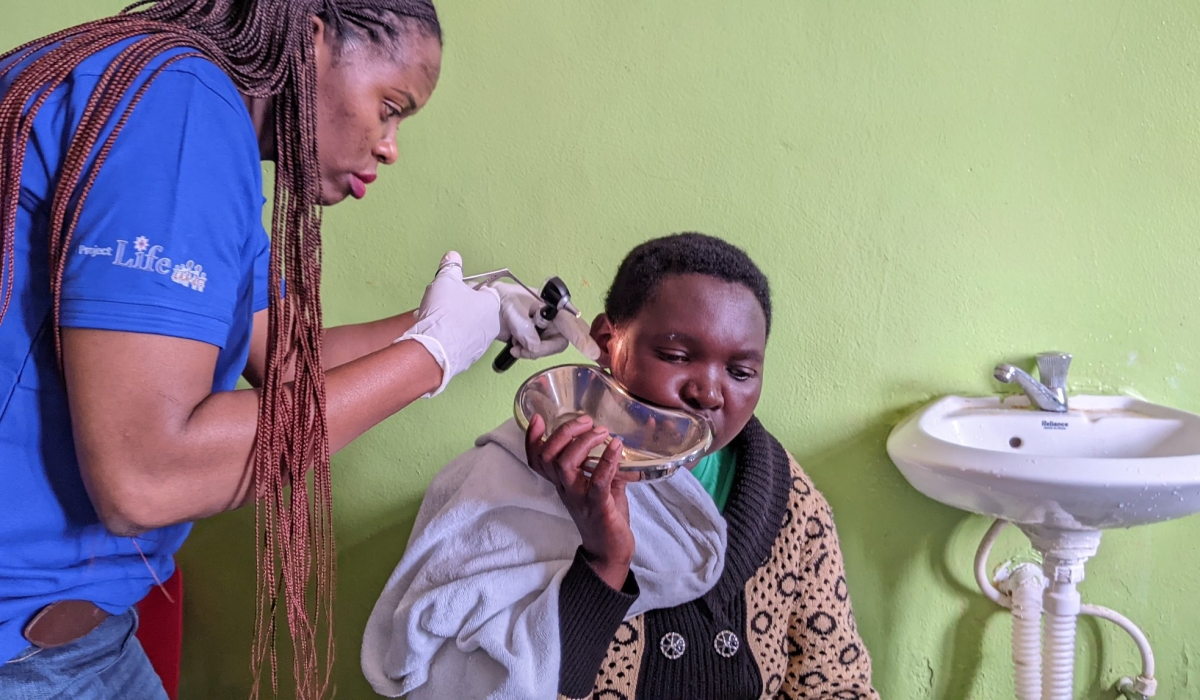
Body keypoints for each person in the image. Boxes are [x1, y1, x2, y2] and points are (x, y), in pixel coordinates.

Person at [0, 2, 594, 698]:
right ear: (311, 41)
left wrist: (474, 316)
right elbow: (146, 476)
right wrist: (431, 355)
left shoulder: (179, 113)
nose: (391, 146)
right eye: (391, 106)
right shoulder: (180, 106)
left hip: (76, 642)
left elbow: (289, 359)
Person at [363, 232, 879, 699]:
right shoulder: (509, 484)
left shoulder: (787, 501)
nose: (709, 391)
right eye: (676, 355)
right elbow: (461, 681)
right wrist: (604, 563)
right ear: (609, 342)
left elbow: (837, 683)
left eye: (741, 371)